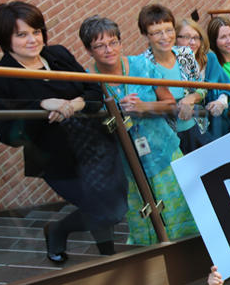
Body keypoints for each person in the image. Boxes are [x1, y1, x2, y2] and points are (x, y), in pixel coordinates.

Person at [0, 2, 128, 264]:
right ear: (5, 39)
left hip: (98, 146)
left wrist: (78, 103)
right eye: (22, 34)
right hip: (58, 161)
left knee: (113, 207)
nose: (32, 40)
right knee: (106, 210)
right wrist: (39, 106)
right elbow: (8, 135)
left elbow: (94, 90)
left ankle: (102, 253)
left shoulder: (58, 55)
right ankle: (69, 236)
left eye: (36, 32)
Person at [80, 15, 197, 245]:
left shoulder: (142, 66)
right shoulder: (87, 80)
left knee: (183, 211)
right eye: (99, 46)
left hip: (164, 153)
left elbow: (171, 105)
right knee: (147, 222)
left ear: (121, 42)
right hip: (127, 165)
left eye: (113, 42)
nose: (108, 50)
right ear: (88, 50)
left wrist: (145, 107)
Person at [133, 4, 208, 153]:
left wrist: (192, 98)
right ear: (146, 35)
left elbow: (202, 87)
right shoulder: (141, 67)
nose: (165, 37)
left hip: (197, 129)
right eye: (156, 33)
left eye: (169, 30)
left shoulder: (185, 54)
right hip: (168, 139)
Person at [175, 18, 230, 141]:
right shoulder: (174, 66)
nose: (192, 42)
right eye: (186, 37)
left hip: (218, 121)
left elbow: (225, 86)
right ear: (175, 39)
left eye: (196, 38)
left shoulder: (210, 58)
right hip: (193, 126)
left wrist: (222, 101)